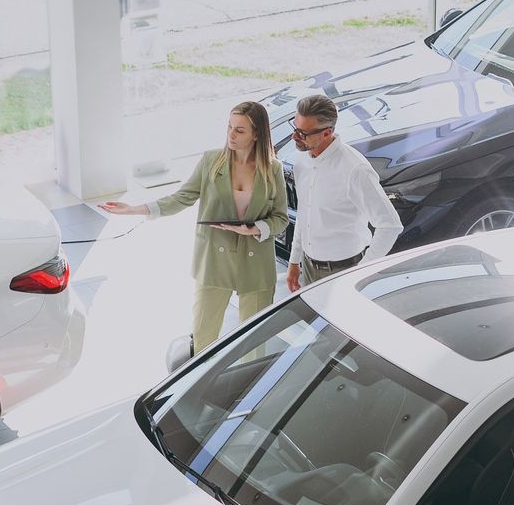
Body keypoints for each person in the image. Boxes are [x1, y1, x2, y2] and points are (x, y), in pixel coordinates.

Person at [102, 101, 291, 348]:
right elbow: (182, 197)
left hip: (256, 265)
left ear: (257, 134)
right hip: (214, 261)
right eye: (229, 127)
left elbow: (280, 218)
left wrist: (255, 229)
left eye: (240, 130)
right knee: (204, 337)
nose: (231, 135)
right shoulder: (211, 161)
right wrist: (136, 209)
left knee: (253, 343)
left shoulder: (272, 169)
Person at [287, 93, 401, 292]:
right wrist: (294, 260)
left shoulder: (355, 170)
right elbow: (305, 212)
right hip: (308, 266)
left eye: (302, 133)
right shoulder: (302, 160)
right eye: (295, 128)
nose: (294, 137)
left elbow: (390, 225)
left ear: (326, 133)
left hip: (344, 271)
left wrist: (360, 273)